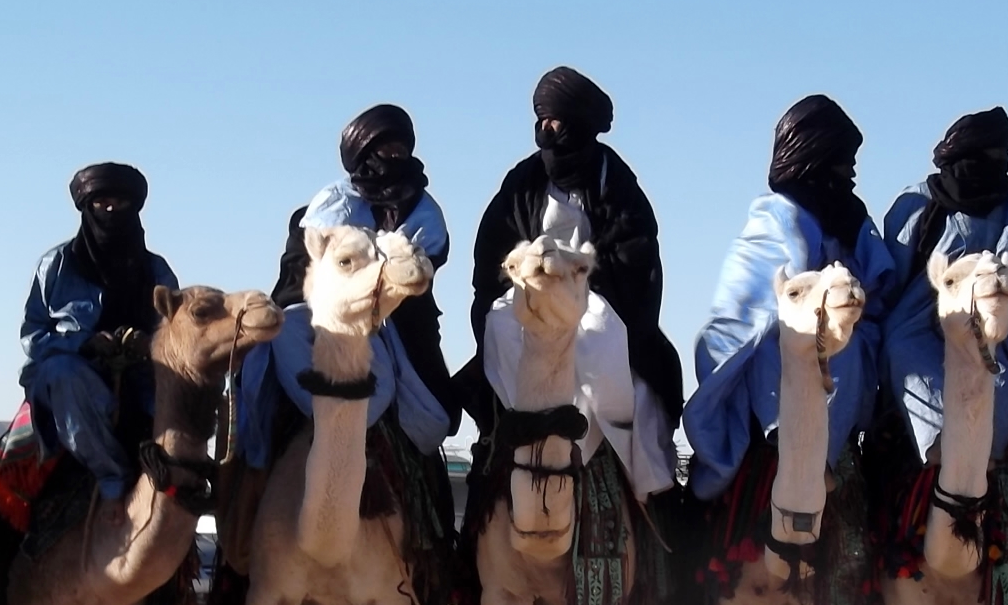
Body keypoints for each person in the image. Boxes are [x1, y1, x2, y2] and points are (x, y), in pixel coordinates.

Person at [684, 94, 896, 500]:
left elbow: (880, 285)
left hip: (845, 340)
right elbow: (744, 309)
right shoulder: (776, 217)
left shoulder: (854, 220)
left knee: (851, 351)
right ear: (816, 156)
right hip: (779, 347)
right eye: (842, 157)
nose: (851, 170)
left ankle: (826, 462)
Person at [465, 66, 685, 432]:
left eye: (556, 122)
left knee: (602, 338)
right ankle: (522, 424)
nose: (547, 131)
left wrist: (576, 274)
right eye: (543, 121)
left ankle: (630, 468)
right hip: (530, 295)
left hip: (593, 293)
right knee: (500, 325)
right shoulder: (523, 183)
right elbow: (493, 254)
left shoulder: (616, 185)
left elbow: (635, 257)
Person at [876, 106, 1008, 463]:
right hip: (921, 317)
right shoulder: (918, 204)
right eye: (990, 154)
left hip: (999, 320)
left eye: (1003, 155)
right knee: (901, 349)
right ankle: (936, 445)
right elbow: (894, 276)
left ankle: (981, 451)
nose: (999, 162)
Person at [272, 104, 460, 433]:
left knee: (421, 410)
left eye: (400, 149)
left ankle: (346, 434)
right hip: (325, 309)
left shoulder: (425, 214)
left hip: (388, 318)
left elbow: (420, 272)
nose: (395, 156)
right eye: (385, 149)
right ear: (364, 155)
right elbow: (301, 266)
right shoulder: (333, 203)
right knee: (269, 352)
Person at [19, 163, 179, 501]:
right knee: (62, 371)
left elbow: (178, 336)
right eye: (100, 203)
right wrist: (85, 344)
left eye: (120, 204)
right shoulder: (56, 265)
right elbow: (33, 336)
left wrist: (148, 344)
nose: (109, 210)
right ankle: (112, 479)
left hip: (143, 378)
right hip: (71, 384)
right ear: (86, 208)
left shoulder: (157, 271)